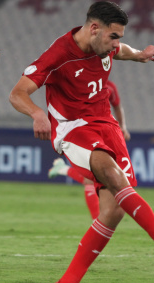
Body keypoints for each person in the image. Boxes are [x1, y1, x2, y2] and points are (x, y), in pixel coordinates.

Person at [9, 0, 154, 283]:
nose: (116, 43)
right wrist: (37, 114)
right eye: (113, 36)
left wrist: (141, 55)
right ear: (94, 29)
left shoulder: (104, 47)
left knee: (113, 212)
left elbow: (124, 51)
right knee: (110, 172)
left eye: (119, 36)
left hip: (107, 126)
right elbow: (17, 92)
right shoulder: (59, 55)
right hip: (72, 128)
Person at [48, 79, 130, 219]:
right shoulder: (80, 82)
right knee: (90, 179)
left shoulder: (109, 86)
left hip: (106, 132)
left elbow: (117, 106)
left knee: (108, 177)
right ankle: (97, 220)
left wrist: (122, 127)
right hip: (85, 132)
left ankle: (63, 169)